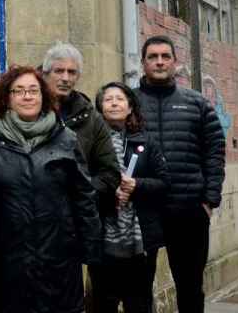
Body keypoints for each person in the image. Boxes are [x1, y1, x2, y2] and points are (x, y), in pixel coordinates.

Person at [0, 65, 100, 313]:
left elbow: (84, 196)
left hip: (58, 257)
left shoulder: (66, 138)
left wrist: (91, 250)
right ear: (6, 98)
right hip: (4, 259)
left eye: (33, 90)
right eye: (18, 91)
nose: (27, 96)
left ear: (44, 96)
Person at [135, 35, 225, 313]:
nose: (160, 62)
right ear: (143, 63)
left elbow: (215, 151)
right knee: (138, 289)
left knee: (190, 286)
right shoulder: (129, 102)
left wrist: (209, 199)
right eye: (153, 57)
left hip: (188, 210)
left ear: (175, 61)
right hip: (142, 210)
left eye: (165, 56)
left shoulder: (196, 103)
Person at [91, 82, 169, 313]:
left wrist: (137, 185)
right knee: (103, 303)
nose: (114, 103)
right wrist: (108, 191)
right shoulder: (91, 142)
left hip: (141, 238)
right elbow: (82, 183)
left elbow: (164, 182)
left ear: (130, 107)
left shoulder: (146, 141)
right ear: (100, 107)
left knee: (139, 303)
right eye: (108, 99)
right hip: (102, 237)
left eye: (120, 99)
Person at [40, 42, 121, 195]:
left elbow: (110, 174)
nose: (65, 78)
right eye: (59, 71)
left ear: (78, 77)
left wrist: (81, 193)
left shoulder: (91, 118)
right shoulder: (30, 111)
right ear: (45, 74)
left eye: (72, 72)